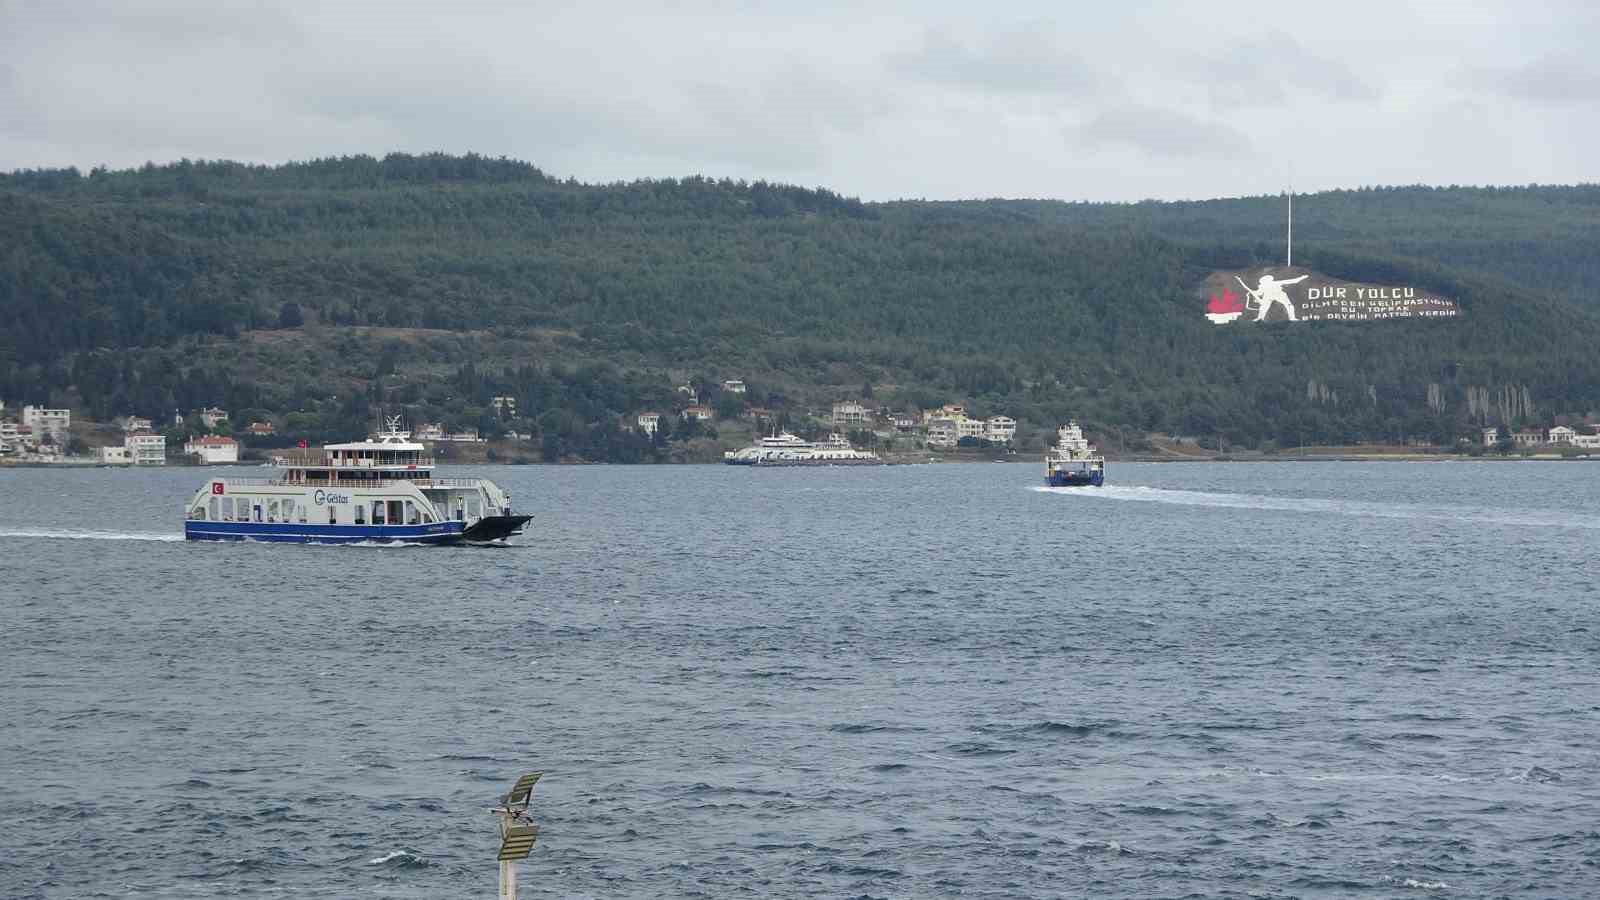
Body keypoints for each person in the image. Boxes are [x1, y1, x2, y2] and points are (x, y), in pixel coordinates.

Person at [1245, 272, 1309, 321]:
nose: (1267, 281)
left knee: (1289, 305)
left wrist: (1302, 277)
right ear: (1263, 282)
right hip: (1268, 296)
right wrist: (1251, 293)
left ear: (1270, 280)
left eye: (1268, 280)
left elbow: (1293, 281)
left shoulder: (1276, 283)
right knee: (1263, 308)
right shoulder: (1262, 286)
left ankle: (1292, 317)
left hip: (1279, 294)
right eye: (1265, 280)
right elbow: (1258, 293)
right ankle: (1260, 318)